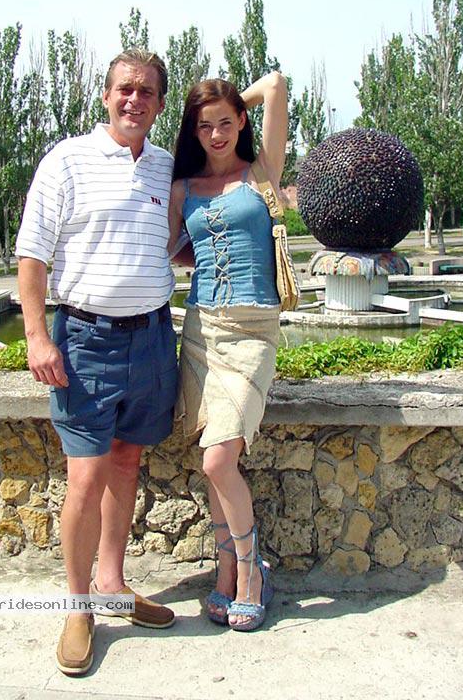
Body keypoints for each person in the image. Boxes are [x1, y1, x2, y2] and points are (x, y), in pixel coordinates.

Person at [16, 48, 179, 676]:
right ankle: (79, 606)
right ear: (106, 96)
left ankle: (112, 583)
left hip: (152, 339)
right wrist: (37, 337)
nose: (134, 100)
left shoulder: (166, 166)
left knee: (127, 459)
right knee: (85, 476)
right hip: (85, 341)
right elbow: (32, 256)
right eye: (124, 89)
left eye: (147, 91)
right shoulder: (67, 160)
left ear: (159, 104)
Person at [168, 71, 288, 632]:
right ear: (192, 132)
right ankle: (226, 571)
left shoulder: (262, 170)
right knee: (215, 459)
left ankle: (249, 570)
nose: (216, 134)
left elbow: (277, 84)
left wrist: (236, 100)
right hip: (200, 332)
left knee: (219, 459)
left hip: (253, 332)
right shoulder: (183, 188)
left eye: (225, 122)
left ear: (241, 120)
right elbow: (167, 250)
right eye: (204, 125)